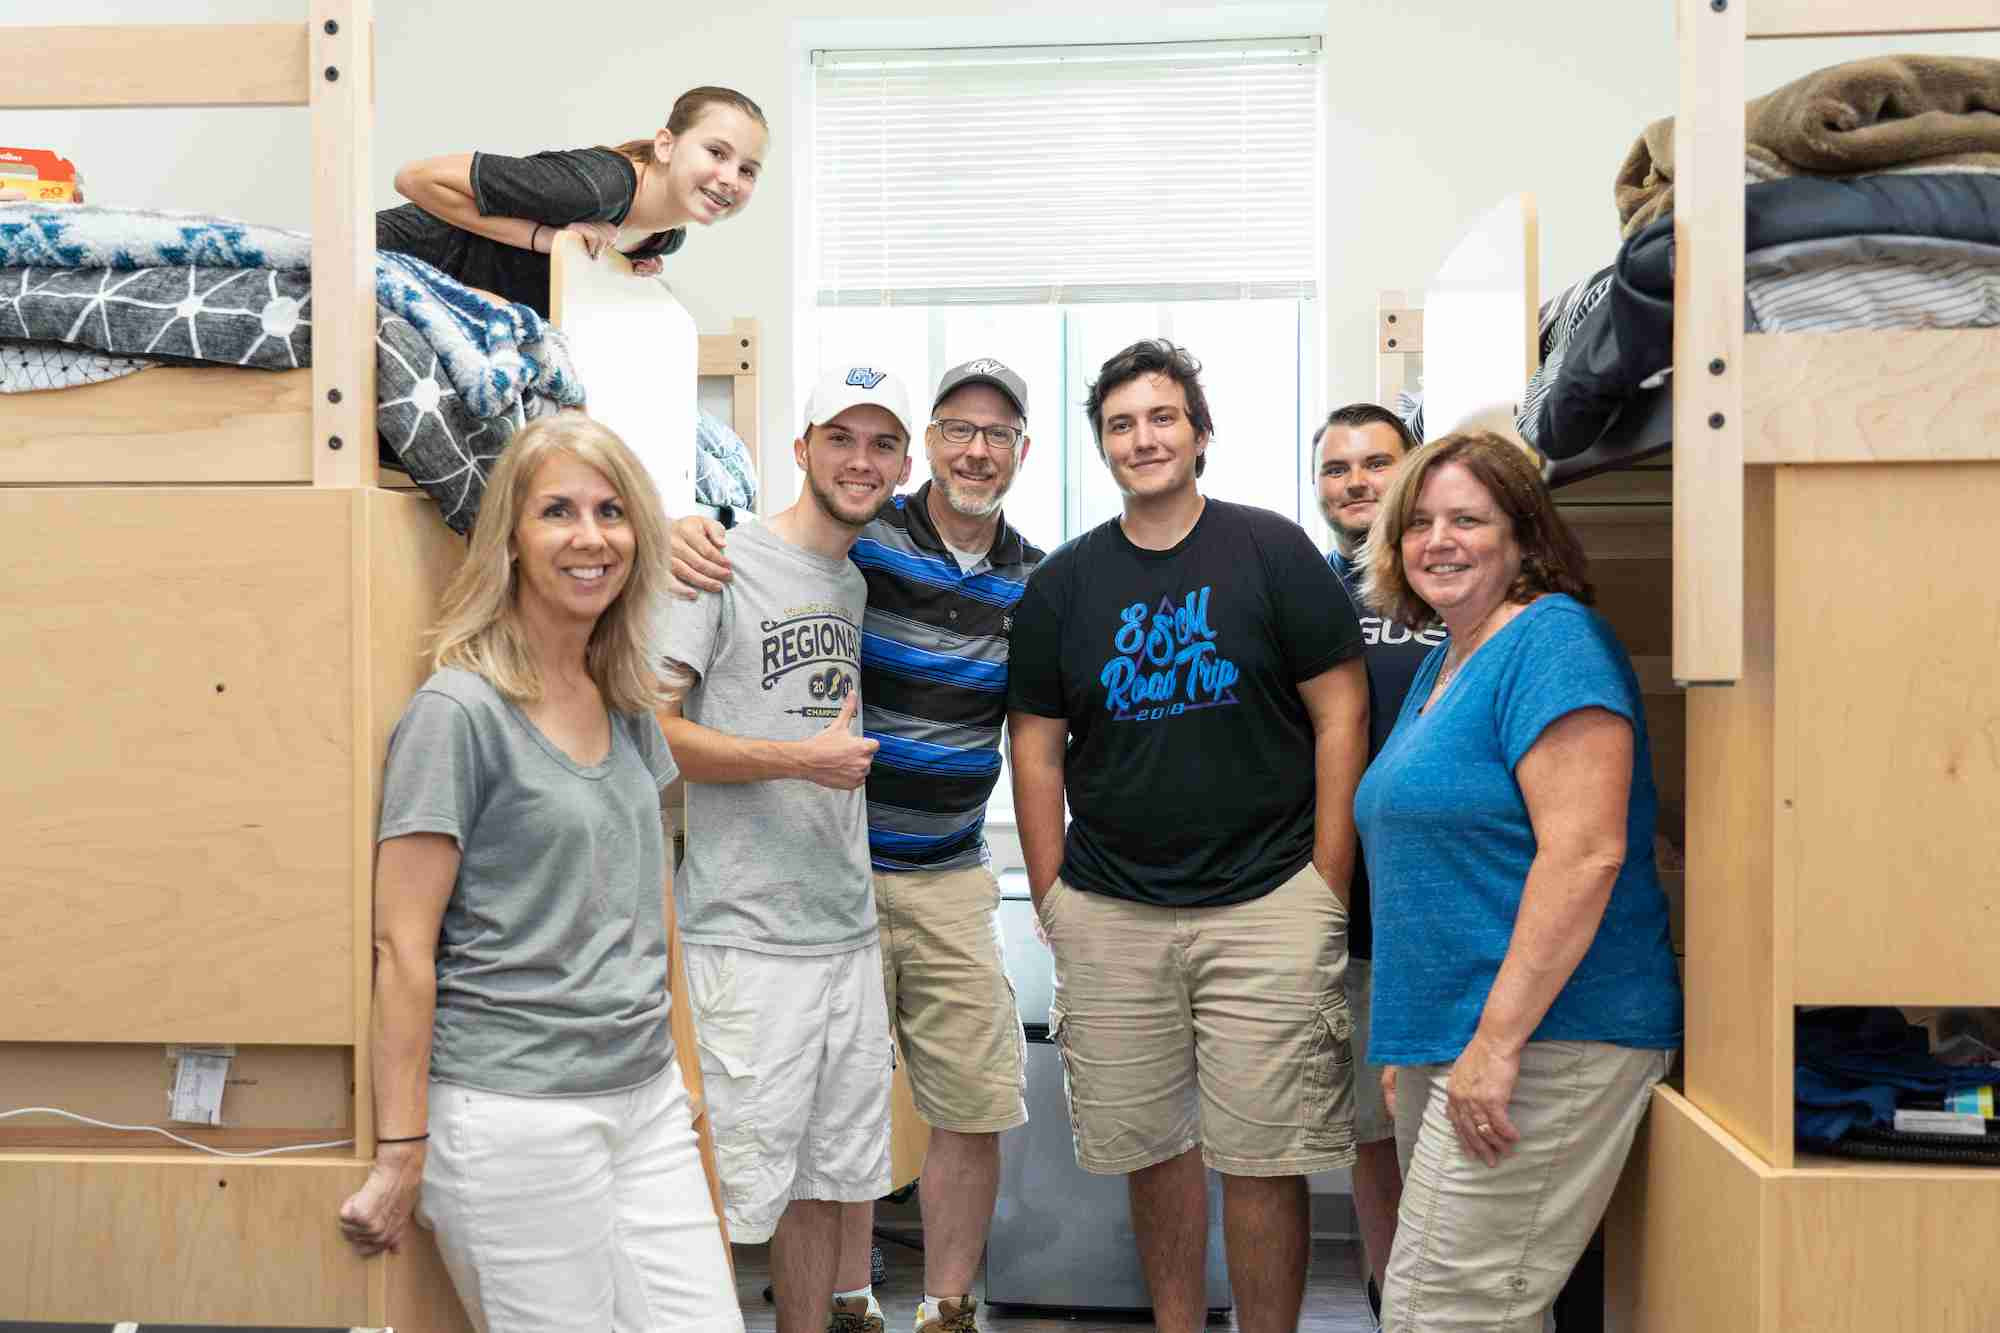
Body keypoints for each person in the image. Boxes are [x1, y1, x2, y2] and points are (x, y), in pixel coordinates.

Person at [335, 414, 740, 1333]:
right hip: (514, 1113)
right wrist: (401, 1150)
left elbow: (651, 907)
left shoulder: (626, 699)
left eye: (610, 511)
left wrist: (683, 1077)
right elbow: (402, 945)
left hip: (641, 1100)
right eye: (557, 511)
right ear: (511, 540)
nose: (589, 537)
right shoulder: (458, 712)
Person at [671, 358, 1046, 1333]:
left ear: (1020, 451)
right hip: (797, 890)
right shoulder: (849, 541)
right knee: (771, 1153)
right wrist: (675, 520)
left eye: (995, 433)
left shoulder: (1028, 579)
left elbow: (1047, 734)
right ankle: (843, 1301)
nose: (973, 448)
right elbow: (653, 714)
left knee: (913, 1117)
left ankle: (944, 1306)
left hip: (942, 872)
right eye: (955, 429)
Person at [1006, 340, 1370, 1333]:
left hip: (1265, 905)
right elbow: (1033, 749)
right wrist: (1051, 894)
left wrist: (1323, 883)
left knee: (1262, 1153)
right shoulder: (1064, 585)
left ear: (1198, 433)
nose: (1143, 438)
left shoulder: (1270, 551)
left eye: (1161, 417)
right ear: (1101, 447)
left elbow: (1342, 714)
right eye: (1121, 424)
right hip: (1113, 911)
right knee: (1149, 1148)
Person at [1351, 429, 1683, 1333]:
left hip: (1551, 1039)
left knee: (1443, 1313)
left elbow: (1586, 854)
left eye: (1468, 518)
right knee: (1458, 1309)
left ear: (1525, 537)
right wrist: (1414, 1048)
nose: (1438, 540)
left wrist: (1492, 1046)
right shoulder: (1445, 661)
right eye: (1419, 522)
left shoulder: (1555, 644)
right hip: (1457, 1041)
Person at [654, 365, 915, 1333]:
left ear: (903, 462)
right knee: (726, 1191)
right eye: (839, 437)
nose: (860, 459)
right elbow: (650, 731)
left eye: (881, 442)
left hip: (843, 937)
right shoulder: (720, 560)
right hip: (744, 938)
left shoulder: (851, 580)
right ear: (799, 447)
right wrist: (793, 759)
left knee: (827, 1184)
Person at [1312, 402, 1440, 1327]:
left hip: (1451, 920)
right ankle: (1390, 1303)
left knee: (1452, 1134)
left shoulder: (1455, 582)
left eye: (1376, 462)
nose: (1356, 480)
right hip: (1351, 915)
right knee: (1369, 1132)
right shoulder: (1309, 597)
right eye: (1337, 467)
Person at [377, 86, 767, 316]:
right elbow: (414, 178)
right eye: (716, 152)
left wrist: (623, 269)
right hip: (384, 260)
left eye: (748, 170)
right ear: (666, 145)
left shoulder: (664, 238)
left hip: (446, 303)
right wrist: (546, 239)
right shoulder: (599, 186)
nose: (731, 179)